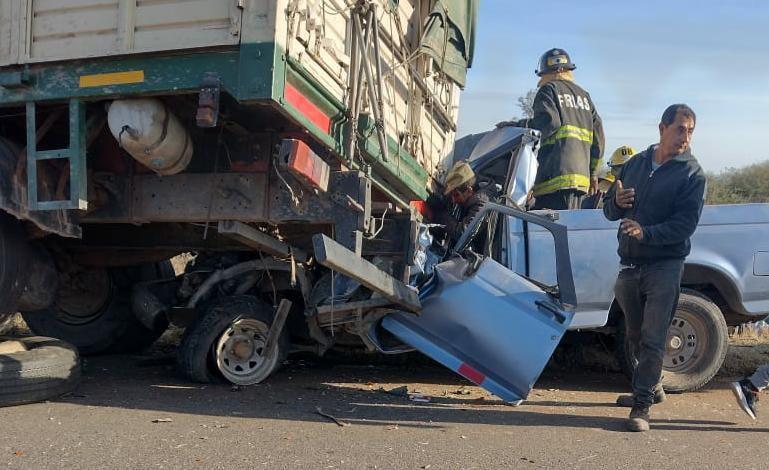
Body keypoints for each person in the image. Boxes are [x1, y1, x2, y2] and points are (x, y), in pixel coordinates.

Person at [603, 104, 706, 432]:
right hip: (629, 264)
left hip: (665, 265)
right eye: (680, 129)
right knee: (634, 335)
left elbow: (684, 225)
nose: (685, 137)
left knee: (653, 337)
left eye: (690, 131)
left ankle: (642, 405)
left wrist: (647, 233)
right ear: (662, 128)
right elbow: (608, 209)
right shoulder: (634, 164)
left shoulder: (692, 174)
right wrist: (616, 204)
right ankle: (651, 387)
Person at [498, 48, 605, 210]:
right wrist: (594, 174)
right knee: (569, 230)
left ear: (550, 72)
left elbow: (548, 123)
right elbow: (599, 138)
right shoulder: (585, 96)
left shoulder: (548, 90)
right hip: (581, 182)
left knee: (550, 232)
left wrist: (518, 126)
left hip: (554, 180)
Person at [427, 161, 499, 249]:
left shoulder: (481, 204)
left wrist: (441, 214)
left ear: (469, 191)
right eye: (451, 195)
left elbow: (462, 234)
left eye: (456, 195)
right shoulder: (472, 180)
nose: (453, 200)